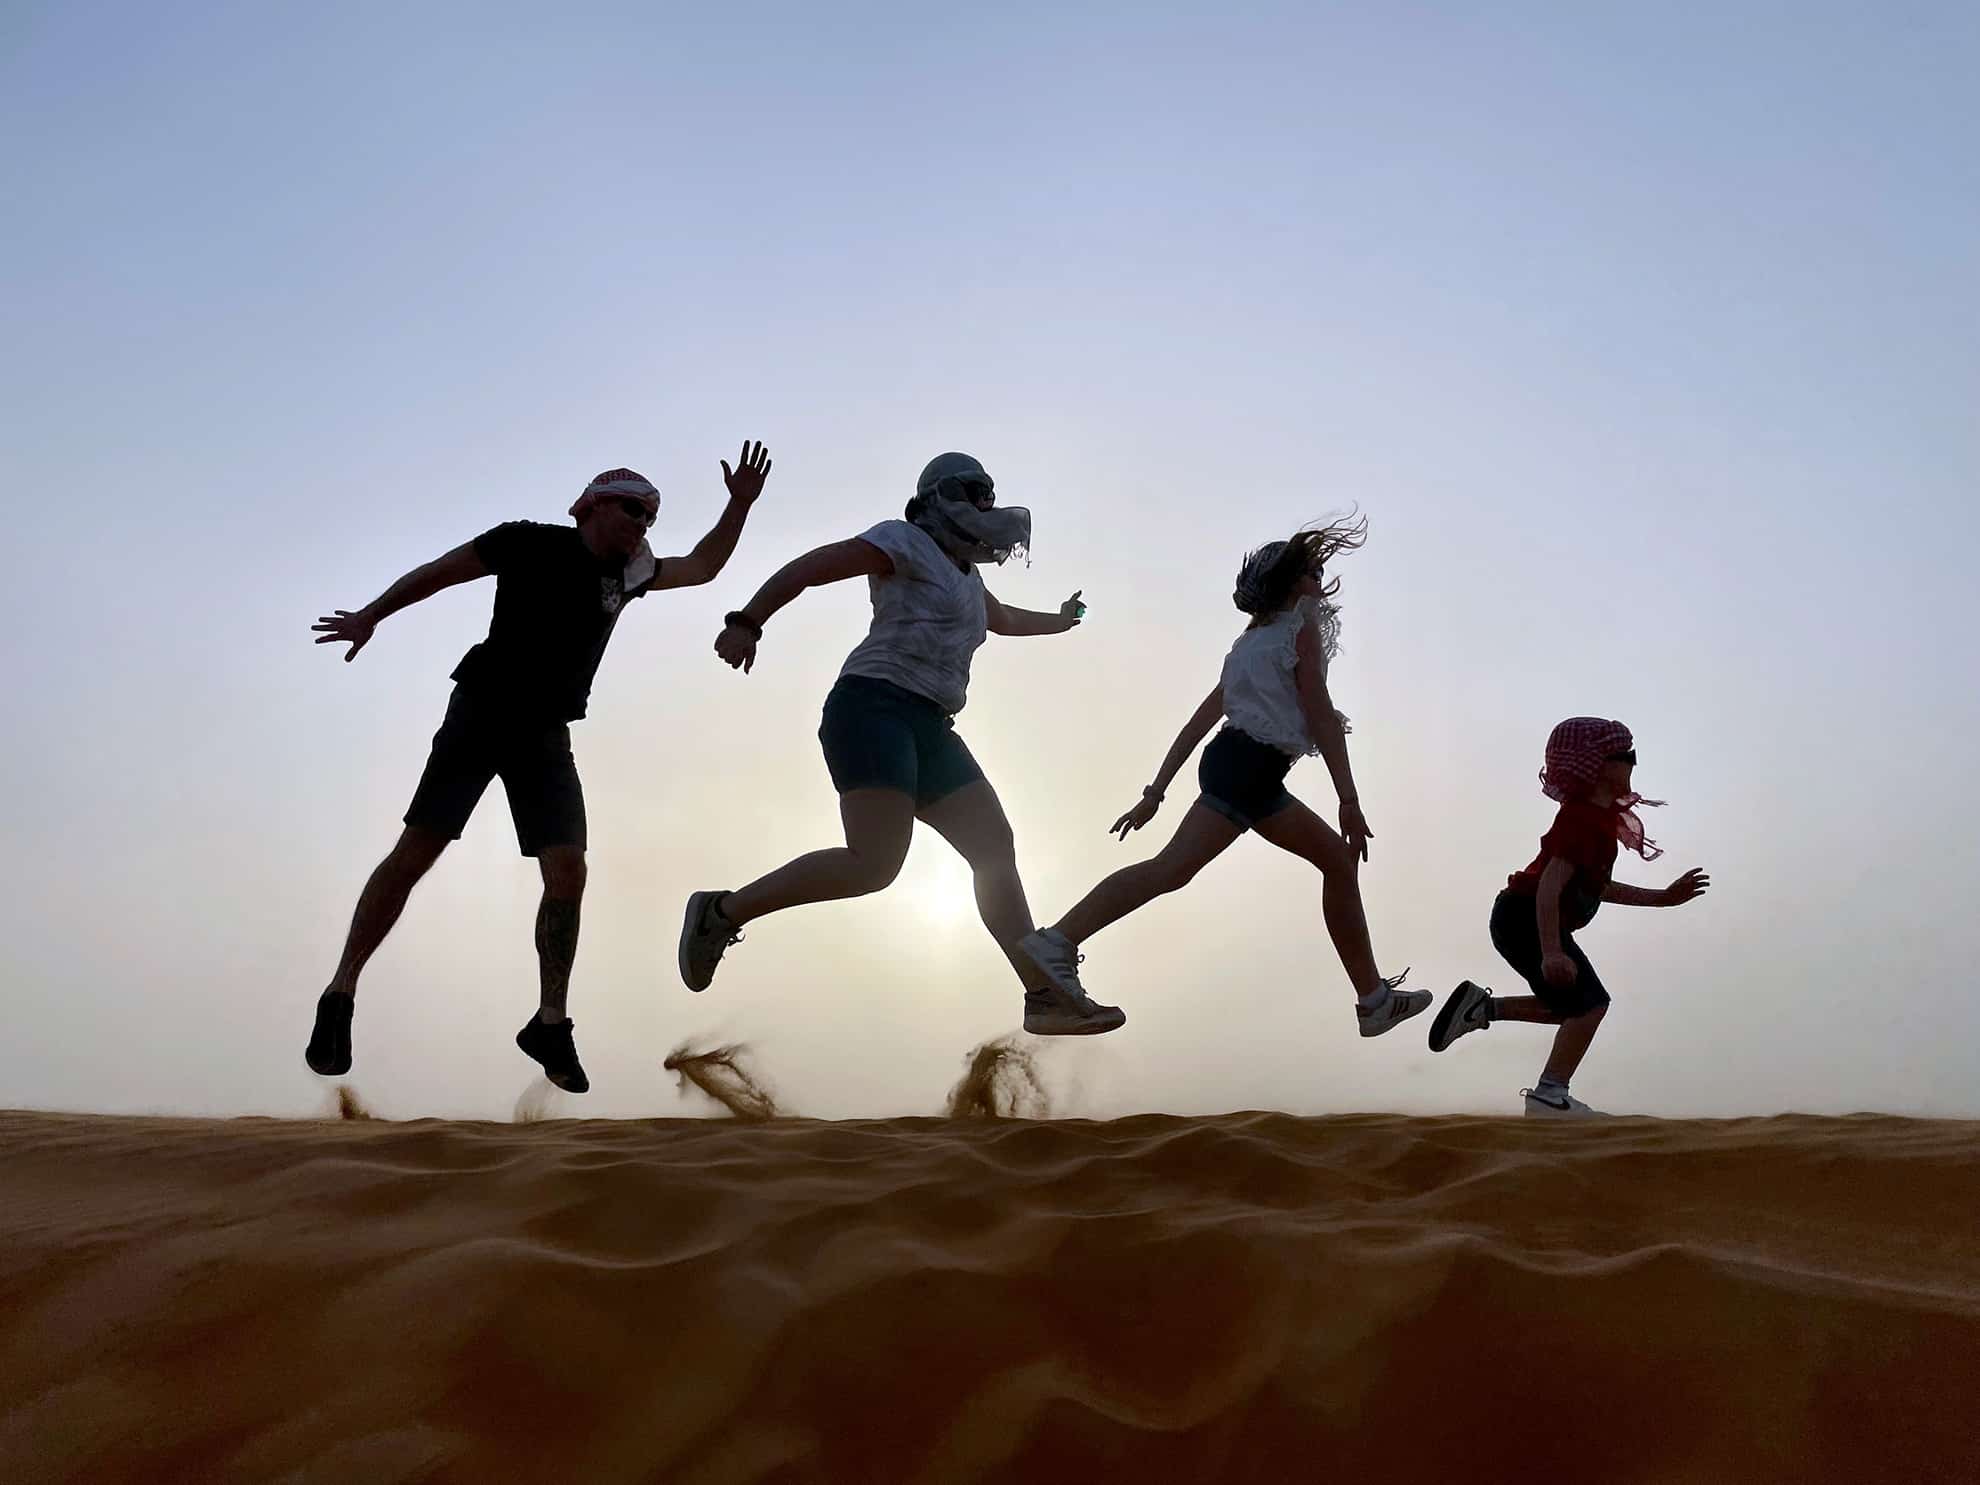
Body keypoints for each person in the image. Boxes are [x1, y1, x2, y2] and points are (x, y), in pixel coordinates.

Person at [305, 444, 773, 1091]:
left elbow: (702, 566)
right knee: (417, 851)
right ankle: (341, 991)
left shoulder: (629, 574)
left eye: (651, 517)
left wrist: (739, 504)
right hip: (483, 709)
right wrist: (371, 616)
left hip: (546, 735)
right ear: (591, 506)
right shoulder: (527, 542)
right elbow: (440, 572)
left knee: (568, 870)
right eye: (633, 508)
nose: (643, 523)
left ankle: (549, 1022)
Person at [677, 451, 1122, 1034]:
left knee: (993, 846)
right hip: (873, 705)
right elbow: (813, 566)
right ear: (939, 495)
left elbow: (1002, 619)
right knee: (874, 864)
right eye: (973, 490)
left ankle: (1042, 995)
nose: (987, 503)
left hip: (933, 725)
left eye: (990, 492)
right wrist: (747, 620)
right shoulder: (904, 541)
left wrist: (1060, 621)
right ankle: (720, 911)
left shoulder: (969, 578)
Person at [1016, 520, 1435, 1038]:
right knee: (1178, 870)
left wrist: (1155, 792)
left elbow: (1201, 720)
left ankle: (1373, 999)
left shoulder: (1247, 643)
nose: (1320, 579)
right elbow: (1321, 715)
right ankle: (1058, 939)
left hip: (1235, 764)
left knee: (1306, 862)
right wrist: (1348, 798)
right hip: (1249, 768)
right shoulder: (1294, 633)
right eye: (1312, 571)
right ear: (1290, 584)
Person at [1427, 717, 1710, 1117]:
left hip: (1524, 918)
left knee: (1572, 1008)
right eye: (1627, 756)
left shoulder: (1597, 821)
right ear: (1601, 766)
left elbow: (1597, 888)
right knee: (1590, 1006)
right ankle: (1549, 1095)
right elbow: (1549, 885)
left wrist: (1663, 899)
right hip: (1526, 916)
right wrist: (1552, 952)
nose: (1633, 764)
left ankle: (1481, 1010)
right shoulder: (1581, 819)